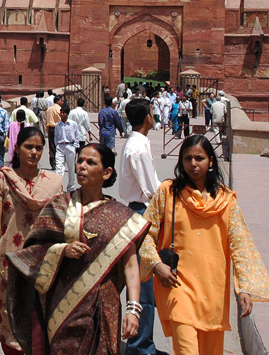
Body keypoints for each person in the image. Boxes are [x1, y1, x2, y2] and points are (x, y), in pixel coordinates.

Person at [7, 144, 149, 355]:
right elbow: (32, 251)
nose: (82, 166)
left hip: (104, 305)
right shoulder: (59, 205)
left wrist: (133, 309)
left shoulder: (121, 217)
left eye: (91, 162)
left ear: (107, 172)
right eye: (80, 160)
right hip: (64, 302)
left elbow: (130, 266)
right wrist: (61, 250)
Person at [140, 135, 269, 355]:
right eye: (187, 158)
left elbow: (241, 244)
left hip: (212, 292)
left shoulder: (226, 200)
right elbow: (145, 233)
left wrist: (245, 288)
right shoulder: (168, 192)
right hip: (177, 286)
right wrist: (156, 265)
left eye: (199, 158)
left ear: (211, 161)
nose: (193, 164)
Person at [0, 127, 62, 354]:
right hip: (7, 260)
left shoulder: (54, 183)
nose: (34, 152)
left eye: (39, 147)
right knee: (8, 320)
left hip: (41, 263)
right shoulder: (4, 178)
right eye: (29, 146)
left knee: (39, 321)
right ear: (17, 148)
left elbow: (59, 227)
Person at [119, 99, 165, 355]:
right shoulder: (138, 148)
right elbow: (152, 190)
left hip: (136, 210)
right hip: (142, 212)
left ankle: (142, 342)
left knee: (142, 279)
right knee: (143, 281)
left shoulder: (136, 143)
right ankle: (140, 346)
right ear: (148, 117)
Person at [51, 104, 80, 192]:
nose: (62, 114)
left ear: (67, 114)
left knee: (71, 168)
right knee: (59, 168)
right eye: (61, 113)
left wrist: (74, 147)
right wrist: (57, 146)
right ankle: (57, 186)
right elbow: (56, 137)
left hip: (70, 146)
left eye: (64, 113)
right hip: (60, 146)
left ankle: (71, 188)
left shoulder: (73, 124)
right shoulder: (57, 125)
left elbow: (77, 136)